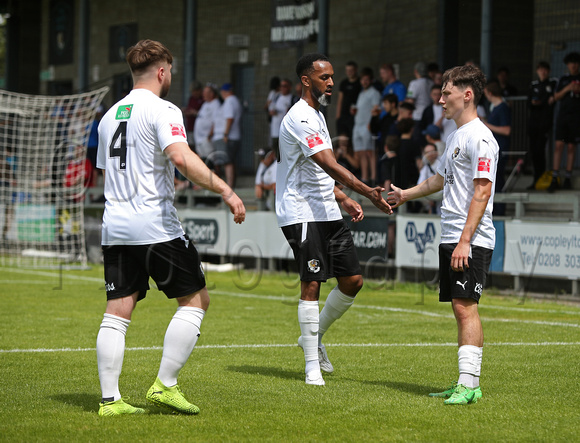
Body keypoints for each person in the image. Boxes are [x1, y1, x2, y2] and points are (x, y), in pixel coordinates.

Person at [95, 39, 246, 417]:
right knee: (196, 301)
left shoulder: (109, 115)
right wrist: (226, 189)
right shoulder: (164, 109)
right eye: (171, 71)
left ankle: (110, 401)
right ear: (162, 71)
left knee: (117, 311)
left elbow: (107, 172)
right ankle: (164, 385)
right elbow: (180, 157)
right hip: (155, 226)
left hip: (115, 225)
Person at [276, 53, 393, 386]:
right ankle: (312, 365)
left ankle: (313, 337)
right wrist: (365, 191)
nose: (330, 82)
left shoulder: (317, 114)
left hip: (325, 208)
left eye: (331, 77)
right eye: (323, 77)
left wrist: (342, 197)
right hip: (299, 210)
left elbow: (314, 168)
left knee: (352, 281)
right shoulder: (300, 116)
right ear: (305, 80)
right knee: (312, 282)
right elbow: (327, 163)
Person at [388, 64, 498, 405]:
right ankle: (466, 382)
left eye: (446, 93)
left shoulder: (481, 137)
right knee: (460, 307)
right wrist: (405, 194)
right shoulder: (455, 137)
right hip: (451, 235)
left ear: (467, 95)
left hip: (471, 238)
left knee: (466, 308)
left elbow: (482, 191)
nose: (440, 99)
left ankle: (470, 385)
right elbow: (439, 181)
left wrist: (465, 239)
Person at [548, 51, 580, 192]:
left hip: (576, 117)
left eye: (576, 62)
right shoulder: (563, 79)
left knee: (572, 146)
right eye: (571, 63)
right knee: (559, 145)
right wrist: (568, 88)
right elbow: (556, 96)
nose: (573, 65)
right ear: (567, 65)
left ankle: (567, 176)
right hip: (563, 117)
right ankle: (555, 176)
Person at [527, 61, 557, 189]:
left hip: (545, 124)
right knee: (534, 152)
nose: (543, 72)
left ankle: (543, 178)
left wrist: (542, 101)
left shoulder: (553, 83)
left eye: (545, 70)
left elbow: (550, 100)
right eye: (541, 69)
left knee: (542, 150)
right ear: (537, 71)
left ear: (548, 71)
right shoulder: (533, 85)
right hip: (533, 123)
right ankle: (536, 178)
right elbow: (529, 102)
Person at [352, 67, 382, 184]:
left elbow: (376, 109)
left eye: (366, 80)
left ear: (371, 80)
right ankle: (365, 177)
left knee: (370, 152)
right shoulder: (361, 93)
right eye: (362, 80)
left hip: (367, 125)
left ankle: (374, 177)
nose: (364, 82)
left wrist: (371, 123)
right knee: (361, 152)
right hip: (358, 125)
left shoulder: (374, 93)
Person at [483, 80, 511, 198]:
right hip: (493, 148)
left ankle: (500, 210)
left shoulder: (502, 107)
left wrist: (486, 124)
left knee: (497, 178)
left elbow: (506, 130)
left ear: (490, 93)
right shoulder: (494, 108)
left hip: (500, 148)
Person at [213, 83, 242, 188]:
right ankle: (230, 184)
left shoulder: (229, 101)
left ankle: (229, 185)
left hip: (229, 136)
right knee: (228, 161)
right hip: (233, 136)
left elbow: (230, 118)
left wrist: (225, 133)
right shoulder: (234, 100)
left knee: (227, 161)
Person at [194, 83, 220, 165]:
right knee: (202, 161)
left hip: (207, 139)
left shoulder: (216, 104)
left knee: (211, 161)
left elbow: (216, 121)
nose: (203, 94)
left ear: (212, 94)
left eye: (205, 92)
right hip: (199, 139)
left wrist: (210, 135)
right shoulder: (205, 104)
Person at [335, 61, 361, 139]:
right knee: (342, 138)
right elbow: (340, 100)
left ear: (356, 70)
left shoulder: (360, 83)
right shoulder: (344, 83)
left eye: (351, 70)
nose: (349, 72)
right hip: (344, 115)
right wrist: (338, 116)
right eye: (347, 70)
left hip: (354, 116)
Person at [269, 78, 293, 154]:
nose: (282, 88)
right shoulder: (276, 97)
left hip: (286, 132)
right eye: (281, 86)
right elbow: (270, 109)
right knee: (276, 153)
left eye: (285, 86)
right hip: (275, 131)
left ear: (289, 87)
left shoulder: (292, 98)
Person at [417, 142, 442, 214]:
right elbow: (420, 184)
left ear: (436, 152)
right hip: (433, 200)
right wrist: (429, 198)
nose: (430, 155)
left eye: (432, 152)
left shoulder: (442, 164)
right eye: (427, 152)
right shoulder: (425, 167)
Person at [182, 80, 204, 149]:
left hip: (200, 129)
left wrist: (195, 112)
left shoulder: (203, 99)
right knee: (190, 146)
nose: (194, 93)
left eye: (195, 91)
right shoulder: (192, 98)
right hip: (190, 127)